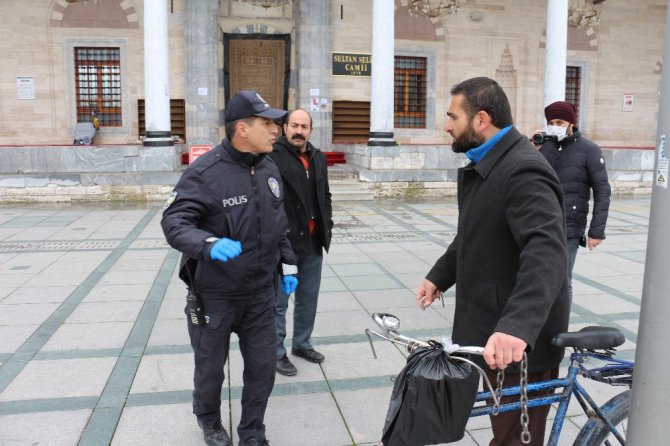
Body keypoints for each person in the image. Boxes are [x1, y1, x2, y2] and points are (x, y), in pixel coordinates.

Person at [415, 77, 570, 446]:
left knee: (513, 440)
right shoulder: (486, 165)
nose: (447, 125)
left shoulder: (522, 168)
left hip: (518, 341)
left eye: (453, 116)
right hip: (492, 329)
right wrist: (439, 276)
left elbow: (546, 251)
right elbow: (473, 232)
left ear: (481, 119)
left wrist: (518, 326)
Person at [161, 90, 299, 446]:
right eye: (267, 124)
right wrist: (207, 245)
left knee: (262, 368)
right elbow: (175, 221)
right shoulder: (205, 172)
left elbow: (278, 225)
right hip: (215, 295)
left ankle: (253, 431)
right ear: (242, 128)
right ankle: (208, 420)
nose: (276, 130)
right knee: (210, 368)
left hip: (259, 295)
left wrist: (288, 266)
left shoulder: (269, 167)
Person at [269, 108, 333, 376]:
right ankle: (276, 352)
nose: (298, 131)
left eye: (304, 126)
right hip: (285, 245)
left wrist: (326, 224)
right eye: (294, 125)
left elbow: (325, 195)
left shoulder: (317, 157)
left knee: (308, 297)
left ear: (310, 130)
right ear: (285, 127)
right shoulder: (272, 157)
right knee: (279, 301)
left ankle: (302, 344)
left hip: (313, 242)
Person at [536, 101, 611, 302]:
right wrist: (537, 149)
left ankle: (560, 327)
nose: (555, 125)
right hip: (540, 223)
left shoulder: (589, 150)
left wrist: (596, 231)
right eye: (551, 122)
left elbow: (602, 190)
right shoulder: (546, 147)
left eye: (559, 121)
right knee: (537, 279)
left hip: (569, 225)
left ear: (570, 123)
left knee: (562, 280)